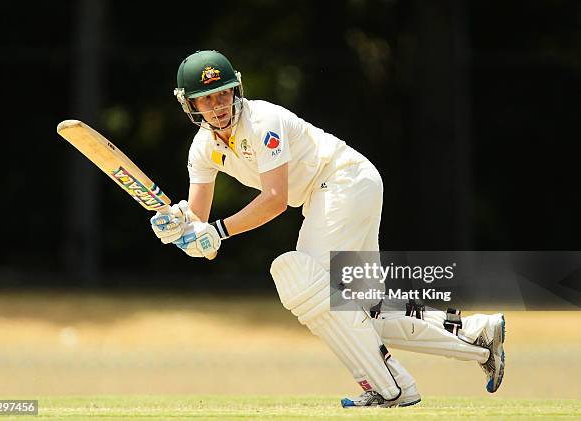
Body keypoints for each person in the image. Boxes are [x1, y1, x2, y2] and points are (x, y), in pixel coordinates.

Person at [149, 50, 506, 407]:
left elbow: (274, 199)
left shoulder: (262, 121)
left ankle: (389, 387)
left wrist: (218, 231)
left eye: (224, 93)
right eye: (207, 98)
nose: (219, 105)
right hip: (341, 190)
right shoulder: (202, 149)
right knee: (367, 313)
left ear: (236, 89)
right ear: (189, 104)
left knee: (302, 280)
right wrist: (179, 228)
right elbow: (203, 237)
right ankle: (477, 336)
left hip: (343, 180)